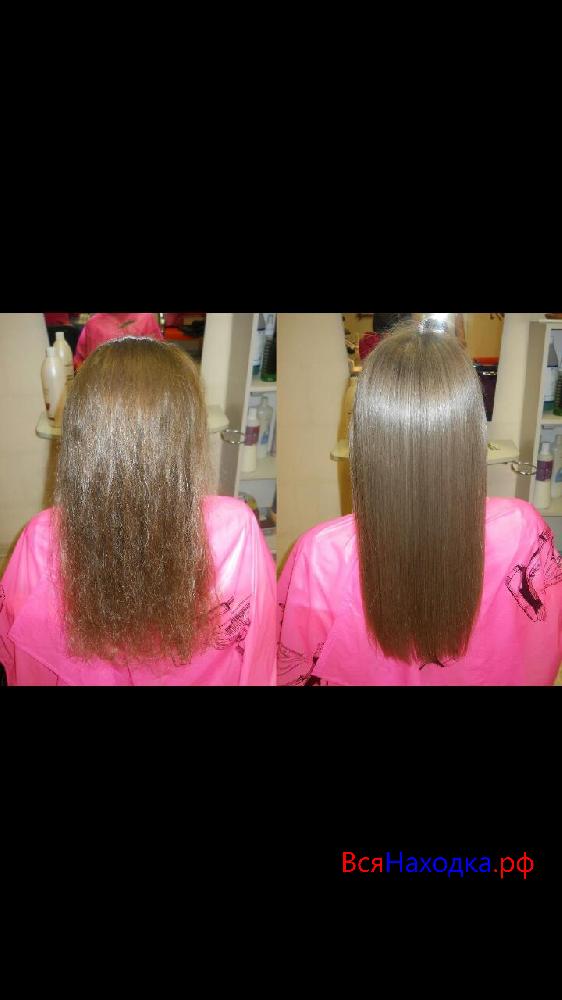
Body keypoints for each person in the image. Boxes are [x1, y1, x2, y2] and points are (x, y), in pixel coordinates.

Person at [278, 318, 562, 685]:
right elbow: (542, 648)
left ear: (365, 435)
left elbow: (292, 669)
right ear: (470, 430)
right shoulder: (521, 528)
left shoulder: (322, 555)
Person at [0, 337, 276, 685]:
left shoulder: (41, 537)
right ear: (187, 432)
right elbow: (261, 653)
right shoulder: (236, 528)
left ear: (80, 434)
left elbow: (16, 653)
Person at [73, 312, 162, 369]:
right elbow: (80, 364)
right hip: (102, 386)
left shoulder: (146, 319)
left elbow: (160, 359)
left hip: (142, 384)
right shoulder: (93, 325)